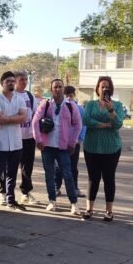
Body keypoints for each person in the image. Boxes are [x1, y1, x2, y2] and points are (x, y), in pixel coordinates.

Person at [32, 79, 82, 216]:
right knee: (49, 175)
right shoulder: (45, 104)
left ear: (63, 88)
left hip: (63, 147)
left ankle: (74, 203)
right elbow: (35, 121)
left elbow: (78, 124)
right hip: (47, 146)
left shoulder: (71, 106)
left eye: (60, 87)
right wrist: (38, 139)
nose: (58, 89)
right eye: (55, 87)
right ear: (51, 89)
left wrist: (73, 142)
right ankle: (52, 200)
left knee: (68, 175)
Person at [81, 77, 125, 221]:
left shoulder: (117, 105)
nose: (104, 89)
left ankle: (109, 211)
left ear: (110, 89)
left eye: (107, 87)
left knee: (109, 179)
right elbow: (86, 120)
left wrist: (110, 110)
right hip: (91, 147)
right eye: (102, 86)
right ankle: (89, 209)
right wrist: (106, 124)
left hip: (111, 148)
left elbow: (118, 123)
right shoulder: (90, 104)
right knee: (93, 179)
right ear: (97, 89)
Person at [0, 71, 27, 214]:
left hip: (16, 143)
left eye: (13, 81)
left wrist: (7, 119)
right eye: (8, 81)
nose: (11, 83)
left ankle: (11, 200)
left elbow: (24, 118)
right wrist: (14, 118)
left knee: (12, 174)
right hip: (1, 144)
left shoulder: (19, 99)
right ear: (2, 83)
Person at [0, 71, 37, 205]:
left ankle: (25, 192)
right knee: (7, 167)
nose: (24, 82)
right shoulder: (10, 96)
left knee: (27, 167)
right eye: (21, 79)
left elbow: (34, 117)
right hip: (13, 137)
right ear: (15, 81)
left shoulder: (30, 97)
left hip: (28, 138)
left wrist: (36, 135)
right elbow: (4, 117)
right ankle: (3, 193)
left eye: (26, 79)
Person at [55, 85, 87, 199]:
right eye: (66, 95)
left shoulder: (80, 109)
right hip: (60, 143)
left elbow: (83, 125)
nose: (68, 98)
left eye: (71, 95)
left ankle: (75, 188)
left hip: (74, 143)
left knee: (73, 167)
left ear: (74, 96)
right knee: (58, 166)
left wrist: (79, 139)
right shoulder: (58, 107)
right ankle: (56, 187)